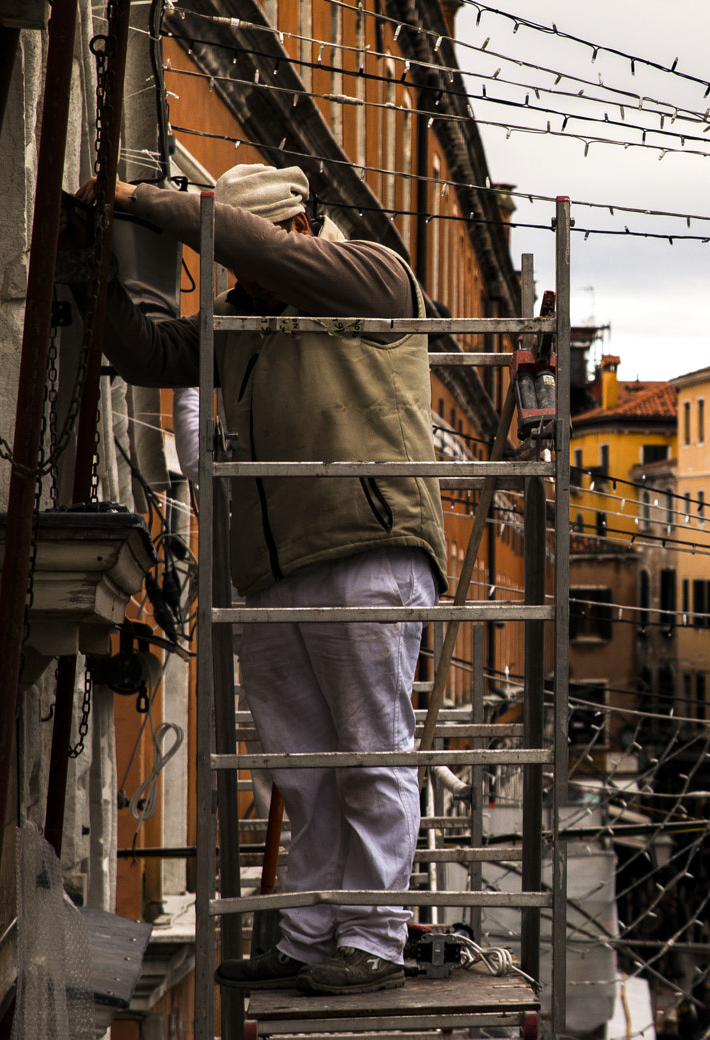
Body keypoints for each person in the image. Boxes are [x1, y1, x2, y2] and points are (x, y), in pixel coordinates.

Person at [87, 164, 447, 995]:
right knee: (300, 766)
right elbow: (145, 352)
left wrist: (145, 203)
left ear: (304, 223)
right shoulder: (238, 323)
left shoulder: (373, 273)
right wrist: (95, 270)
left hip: (367, 545)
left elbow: (261, 251)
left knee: (369, 755)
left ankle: (373, 940)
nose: (246, 272)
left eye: (264, 243)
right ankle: (311, 933)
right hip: (275, 569)